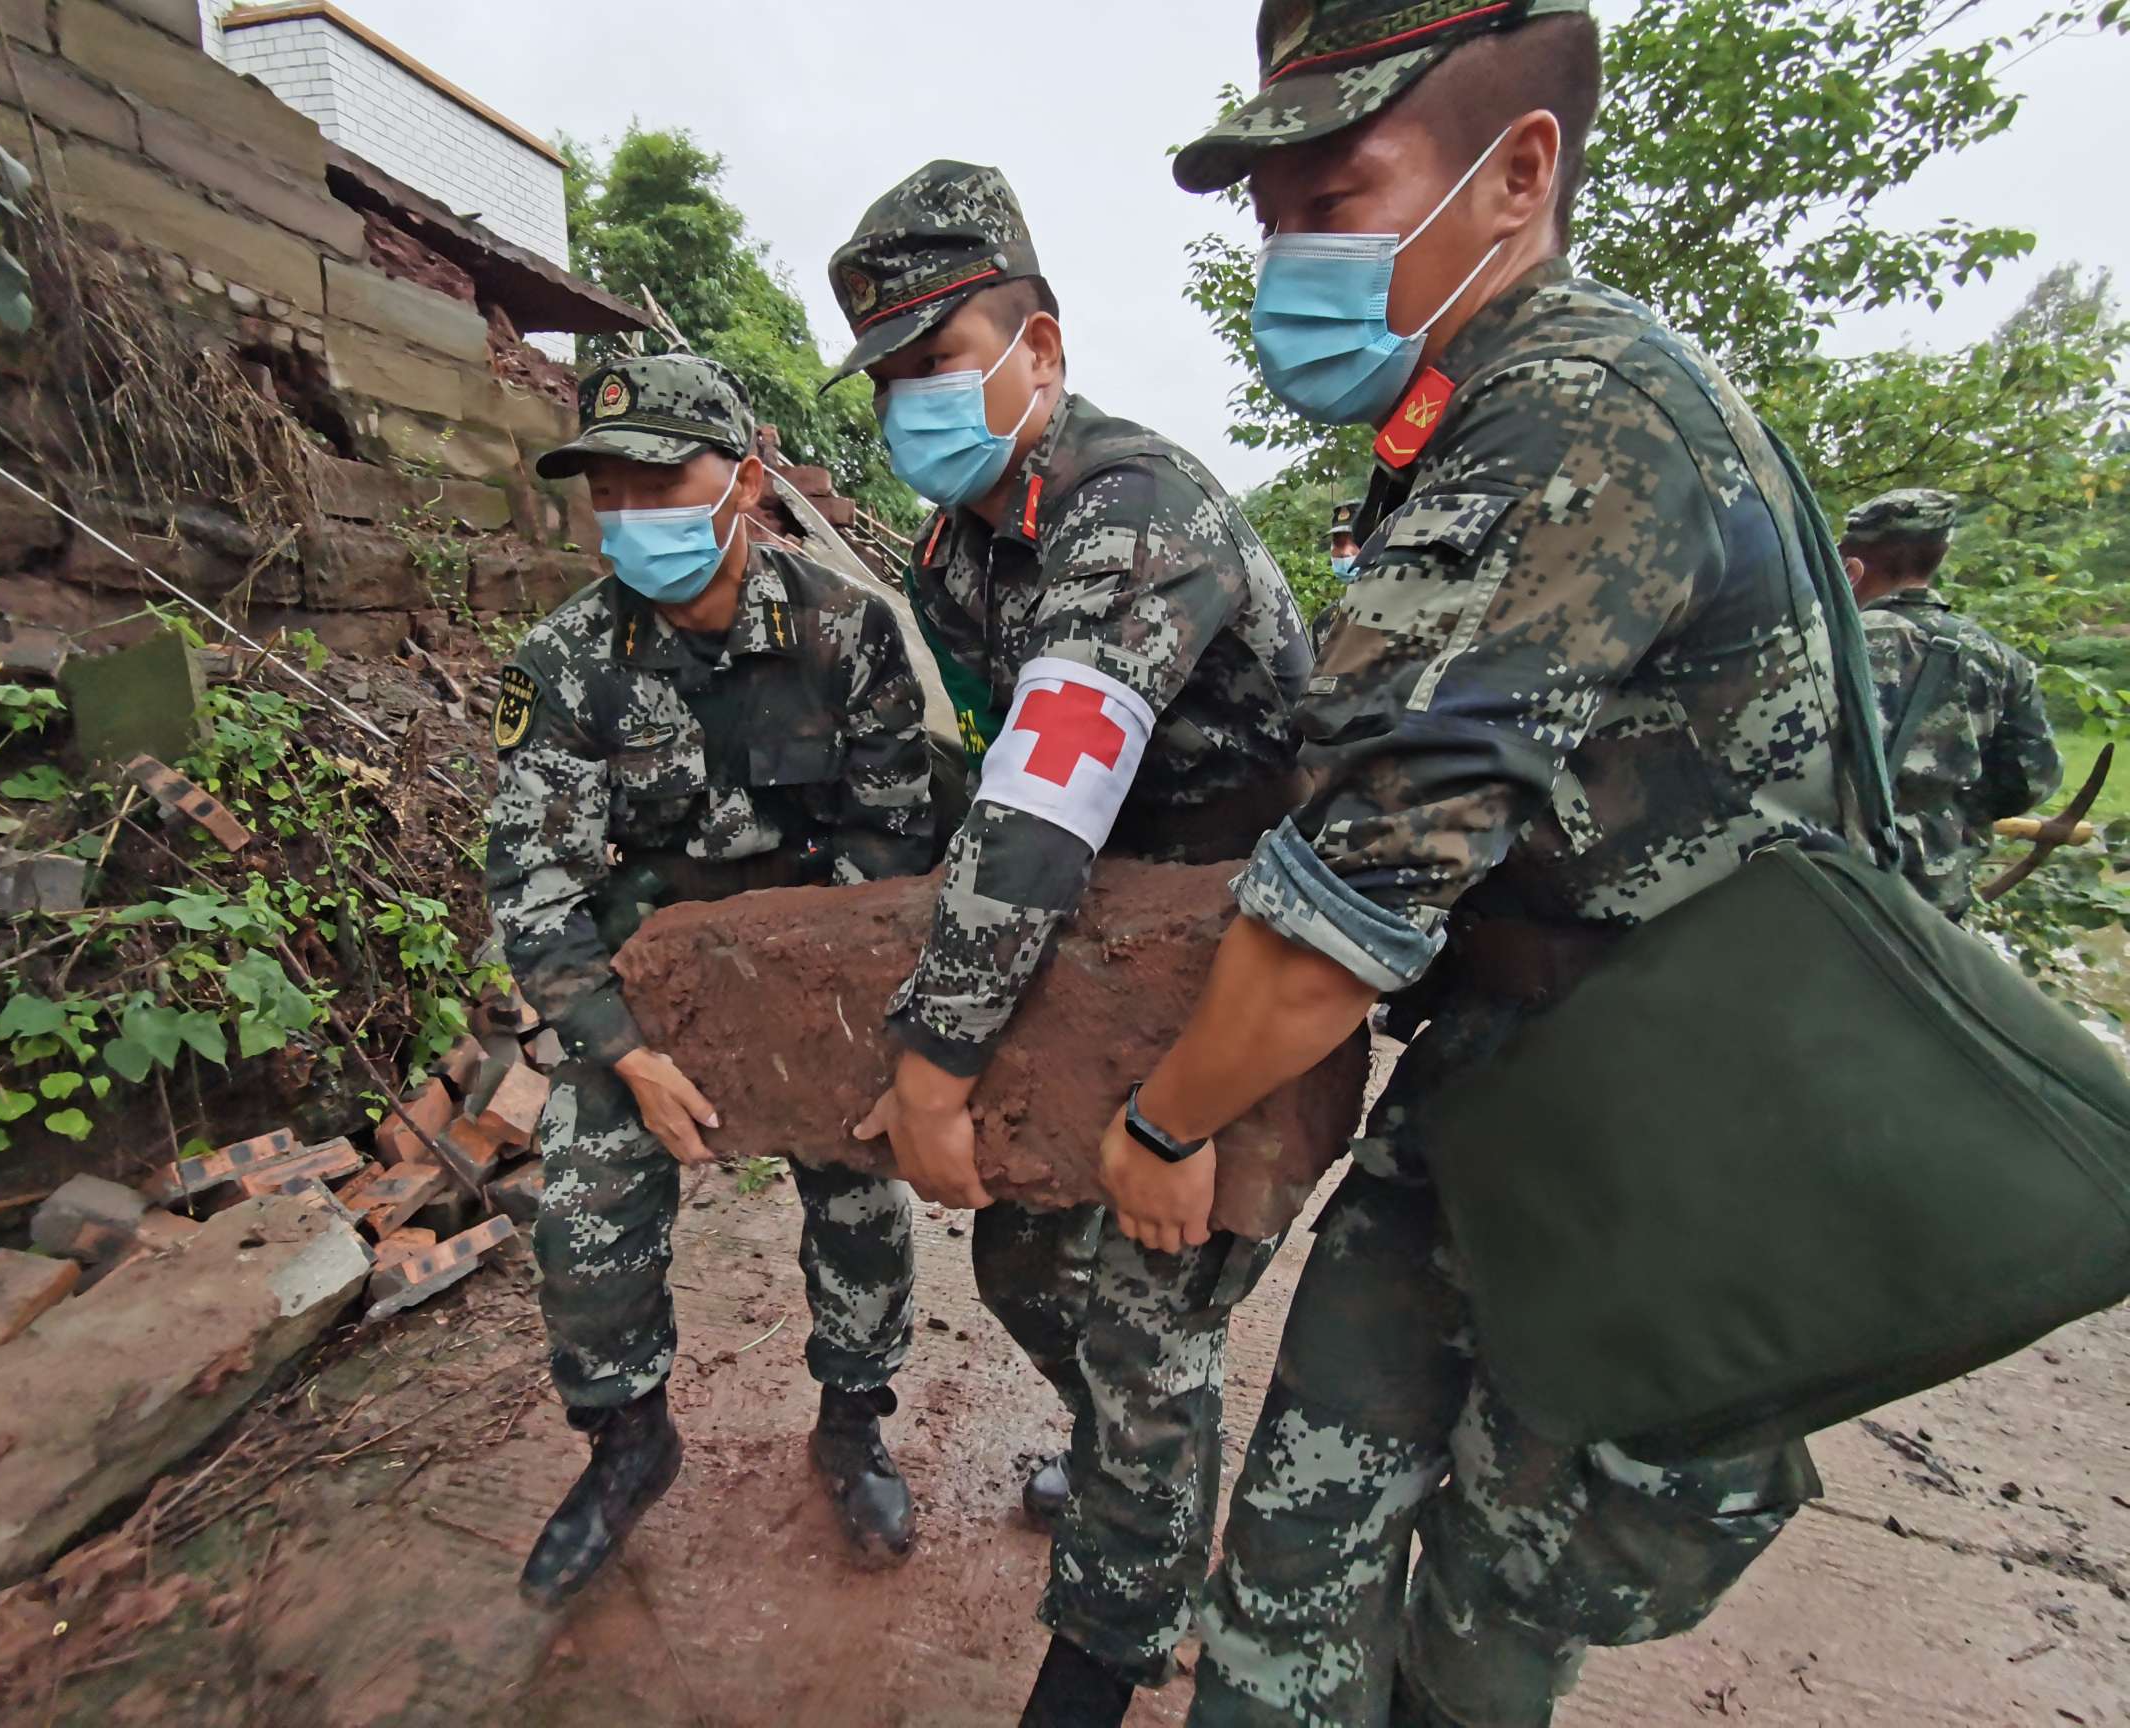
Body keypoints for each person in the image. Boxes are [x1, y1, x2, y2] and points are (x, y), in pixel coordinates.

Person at [1096, 3, 1864, 1721]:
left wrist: (1162, 1124)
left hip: (1655, 1135)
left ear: (1516, 174)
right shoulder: (1477, 410)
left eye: (1336, 192)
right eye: (1269, 213)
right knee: (1292, 1562)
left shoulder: (1572, 418)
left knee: (1489, 1623)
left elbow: (1342, 911)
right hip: (1503, 1078)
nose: (1287, 251)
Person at [822, 160, 1312, 1724]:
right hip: (1093, 962)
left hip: (1242, 977)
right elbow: (988, 797)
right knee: (1031, 1257)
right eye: (888, 374)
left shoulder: (1131, 512)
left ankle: (1109, 1645)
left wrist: (931, 1061)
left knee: (1147, 1304)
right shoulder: (955, 551)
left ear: (1039, 341)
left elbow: (1041, 809)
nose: (914, 399)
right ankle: (1134, 1471)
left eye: (939, 358)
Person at [485, 353, 934, 1605]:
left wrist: (815, 1027)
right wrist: (625, 1052)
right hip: (648, 1002)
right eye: (606, 488)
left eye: (659, 478)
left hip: (818, 982)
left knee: (859, 1195)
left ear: (741, 481)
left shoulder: (847, 633)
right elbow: (536, 884)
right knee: (581, 1211)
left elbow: (894, 848)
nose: (631, 513)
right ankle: (630, 1438)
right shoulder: (567, 664)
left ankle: (854, 1416)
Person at [1844, 488, 2063, 920]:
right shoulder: (2002, 661)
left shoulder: (1821, 639)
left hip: (1820, 877)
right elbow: (2031, 780)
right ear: (1939, 556)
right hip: (1933, 893)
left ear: (1853, 557)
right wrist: (1945, 812)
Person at [1316, 496, 1367, 648]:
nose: (1345, 552)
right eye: (1338, 544)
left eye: (1355, 542)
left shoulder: (1401, 610)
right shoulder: (1324, 622)